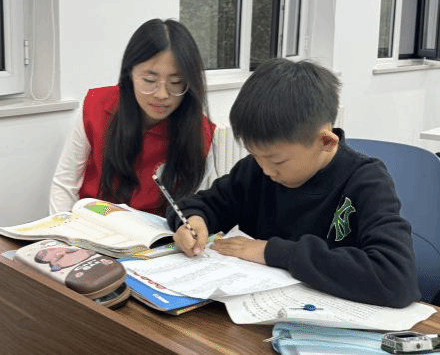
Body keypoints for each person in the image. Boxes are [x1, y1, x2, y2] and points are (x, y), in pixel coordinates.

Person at [169, 58, 420, 308]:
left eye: (277, 161)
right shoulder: (256, 170)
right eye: (255, 156)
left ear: (326, 142)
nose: (266, 170)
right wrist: (193, 220)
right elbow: (201, 204)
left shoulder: (366, 182)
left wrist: (272, 252)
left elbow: (396, 278)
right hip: (254, 310)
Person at [49, 18, 217, 216]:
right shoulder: (97, 107)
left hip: (156, 233)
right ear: (130, 73)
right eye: (149, 80)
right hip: (92, 224)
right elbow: (65, 184)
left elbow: (195, 207)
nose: (162, 94)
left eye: (176, 82)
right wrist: (60, 229)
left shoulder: (200, 134)